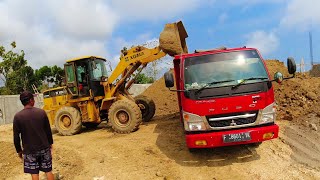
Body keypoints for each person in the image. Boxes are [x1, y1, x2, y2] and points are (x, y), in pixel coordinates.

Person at [13, 91, 54, 180]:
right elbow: (48, 131)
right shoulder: (41, 112)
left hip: (29, 150)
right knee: (48, 170)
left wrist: (19, 151)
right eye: (33, 99)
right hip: (44, 147)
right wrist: (50, 144)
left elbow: (16, 137)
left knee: (34, 172)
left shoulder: (18, 117)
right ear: (31, 100)